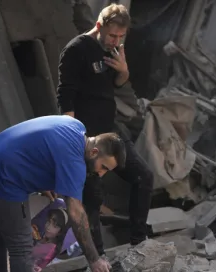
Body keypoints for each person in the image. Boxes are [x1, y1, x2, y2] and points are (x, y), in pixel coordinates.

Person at [0, 115, 126, 272]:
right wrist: (95, 260)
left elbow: (41, 146)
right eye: (103, 167)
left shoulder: (75, 126)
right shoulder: (75, 161)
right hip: (2, 179)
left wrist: (42, 178)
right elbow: (76, 214)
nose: (100, 174)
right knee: (21, 245)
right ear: (94, 152)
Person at [57, 3, 153, 257]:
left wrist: (124, 71)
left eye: (121, 37)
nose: (116, 41)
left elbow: (115, 83)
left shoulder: (113, 50)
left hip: (111, 134)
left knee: (143, 177)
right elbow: (65, 95)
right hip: (87, 139)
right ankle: (97, 260)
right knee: (92, 199)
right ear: (99, 26)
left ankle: (139, 243)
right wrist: (73, 139)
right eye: (112, 35)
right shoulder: (77, 50)